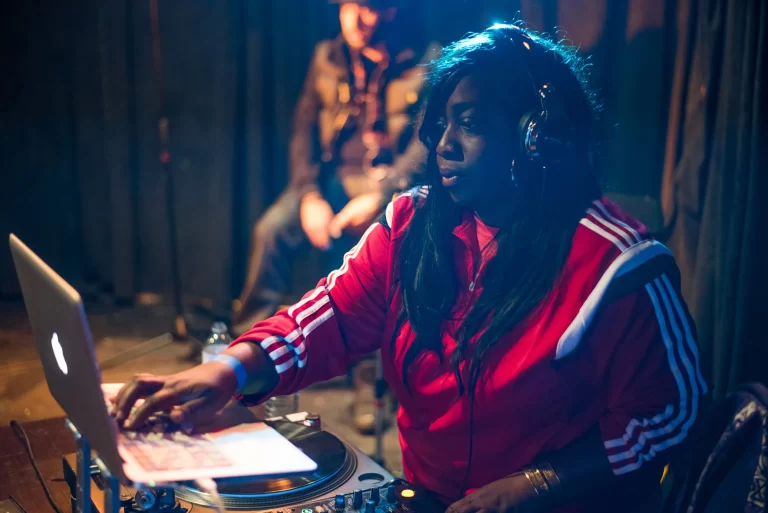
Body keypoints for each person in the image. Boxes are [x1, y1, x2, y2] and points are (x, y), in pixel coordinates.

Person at [114, 24, 707, 513]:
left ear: (538, 139)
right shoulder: (410, 226)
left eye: (470, 123)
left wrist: (536, 485)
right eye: (442, 123)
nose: (444, 144)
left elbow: (672, 412)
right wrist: (228, 372)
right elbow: (326, 317)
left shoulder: (619, 263)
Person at [233, 0, 438, 333]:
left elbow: (425, 144)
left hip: (386, 185)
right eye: (347, 7)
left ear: (390, 11)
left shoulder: (425, 59)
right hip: (330, 179)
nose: (354, 20)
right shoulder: (326, 56)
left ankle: (368, 372)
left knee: (377, 254)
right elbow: (303, 131)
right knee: (269, 232)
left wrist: (382, 196)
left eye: (366, 9)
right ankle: (247, 352)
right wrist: (310, 194)